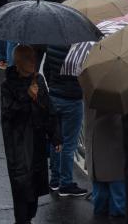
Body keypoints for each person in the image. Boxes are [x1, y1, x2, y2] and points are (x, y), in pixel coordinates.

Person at [2, 45, 61, 224]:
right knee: (21, 182)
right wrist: (28, 96)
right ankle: (22, 220)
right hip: (18, 142)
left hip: (36, 141)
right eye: (29, 59)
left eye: (34, 58)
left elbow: (48, 109)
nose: (33, 62)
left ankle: (28, 217)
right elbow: (9, 113)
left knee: (34, 182)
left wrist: (55, 136)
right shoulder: (8, 85)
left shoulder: (39, 80)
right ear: (20, 62)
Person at [44, 43, 88, 197]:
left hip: (54, 97)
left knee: (56, 140)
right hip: (72, 100)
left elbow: (46, 70)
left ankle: (54, 180)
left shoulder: (52, 45)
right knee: (69, 144)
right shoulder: (80, 48)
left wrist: (53, 86)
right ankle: (66, 183)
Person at [85, 107, 126, 218]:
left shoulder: (90, 90)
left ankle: (101, 212)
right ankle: (116, 214)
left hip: (95, 136)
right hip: (114, 134)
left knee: (99, 184)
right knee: (117, 184)